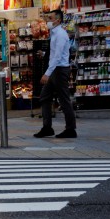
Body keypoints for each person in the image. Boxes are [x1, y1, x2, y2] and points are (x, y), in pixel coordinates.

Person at [34, 8, 76, 139]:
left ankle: (71, 129)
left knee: (64, 100)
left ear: (58, 20)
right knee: (45, 97)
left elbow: (58, 56)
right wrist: (45, 54)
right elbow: (56, 53)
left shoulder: (60, 34)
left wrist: (47, 73)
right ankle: (47, 128)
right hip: (54, 69)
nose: (48, 21)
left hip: (59, 70)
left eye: (50, 18)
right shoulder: (54, 33)